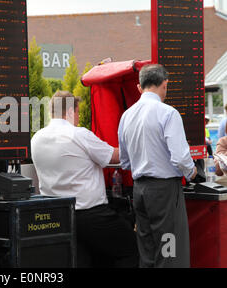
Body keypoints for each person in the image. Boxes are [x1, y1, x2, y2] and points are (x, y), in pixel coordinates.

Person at [31, 90, 139, 268]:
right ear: (71, 111)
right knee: (132, 248)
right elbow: (113, 157)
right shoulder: (78, 134)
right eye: (78, 112)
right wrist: (138, 144)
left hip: (58, 215)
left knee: (87, 259)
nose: (79, 117)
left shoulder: (37, 138)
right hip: (91, 215)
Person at [118, 64, 197, 268]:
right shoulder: (168, 113)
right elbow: (180, 157)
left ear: (139, 87)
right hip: (164, 192)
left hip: (140, 191)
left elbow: (125, 161)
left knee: (147, 250)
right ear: (165, 84)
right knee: (168, 250)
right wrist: (192, 171)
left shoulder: (126, 116)